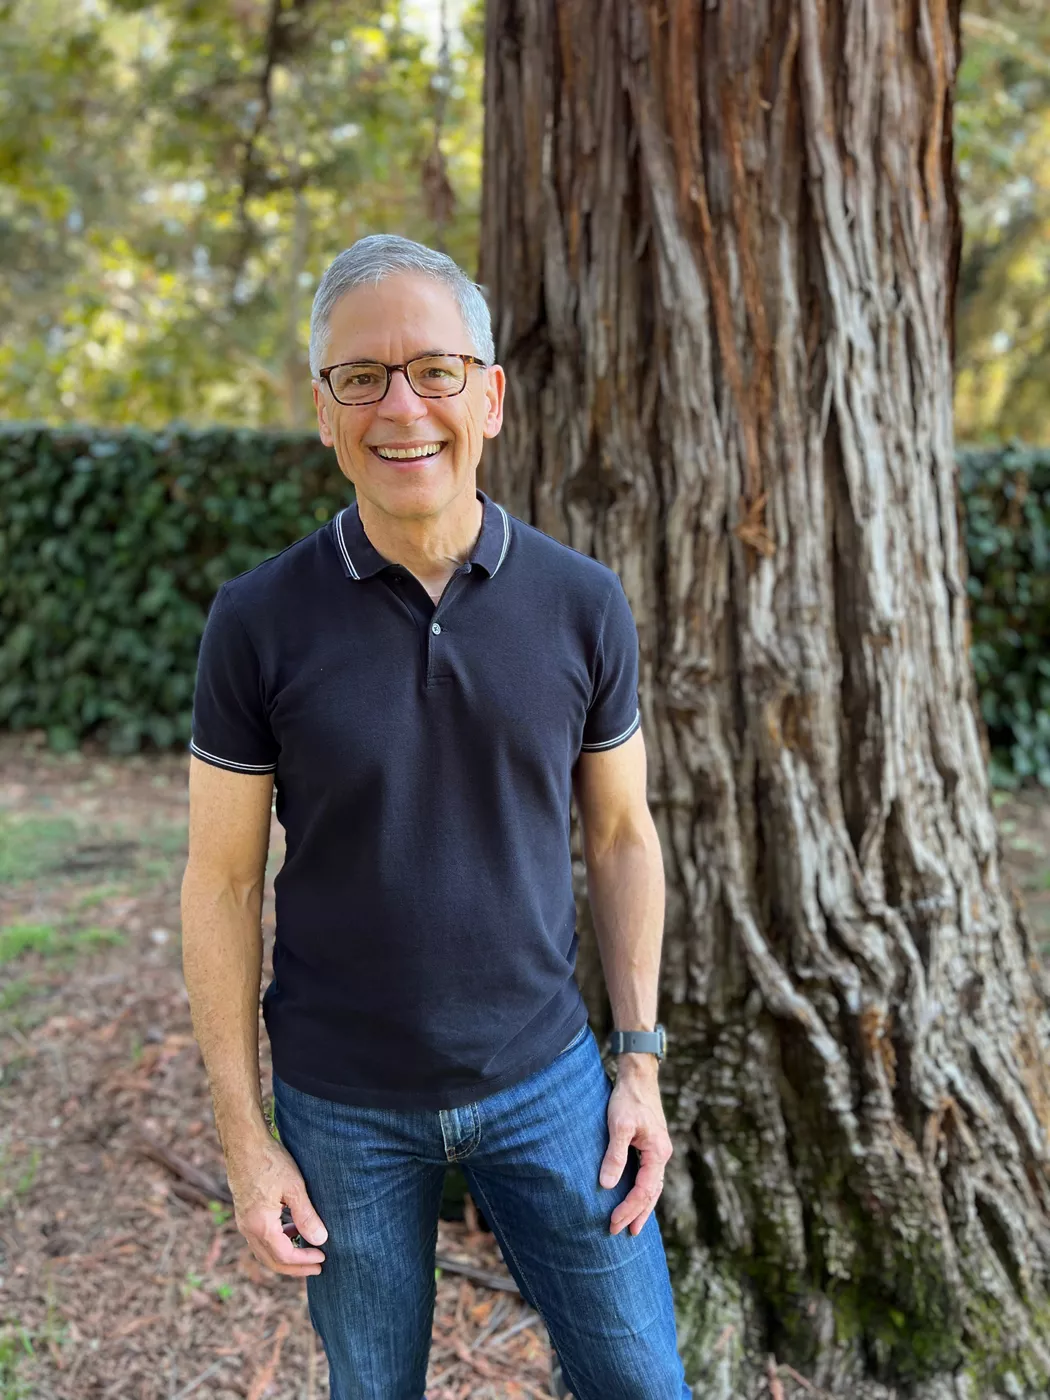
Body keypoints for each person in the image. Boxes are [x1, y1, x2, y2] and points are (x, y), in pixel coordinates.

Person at [180, 233, 692, 1400]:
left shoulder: (582, 602)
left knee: (643, 1383)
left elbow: (621, 838)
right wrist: (245, 1135)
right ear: (324, 409)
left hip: (552, 1084)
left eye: (436, 370)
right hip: (342, 1107)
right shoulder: (256, 622)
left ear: (491, 396)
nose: (400, 405)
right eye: (361, 376)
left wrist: (642, 1063)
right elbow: (218, 882)